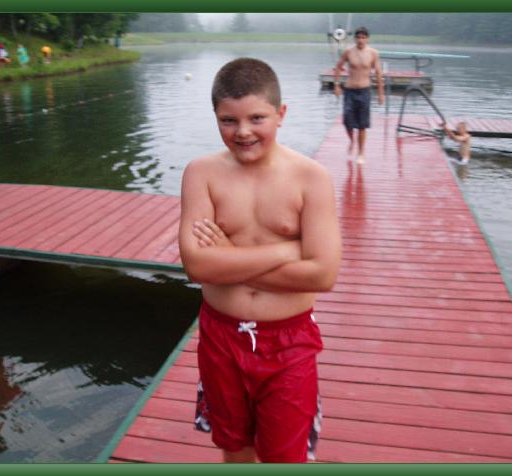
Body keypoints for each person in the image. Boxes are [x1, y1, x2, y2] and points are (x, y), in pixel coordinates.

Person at [178, 58, 341, 463]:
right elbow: (198, 267)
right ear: (216, 118)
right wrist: (288, 250)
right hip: (221, 337)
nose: (243, 132)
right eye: (228, 121)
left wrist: (229, 259)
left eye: (257, 118)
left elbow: (322, 274)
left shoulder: (311, 178)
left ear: (281, 114)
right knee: (234, 446)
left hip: (288, 342)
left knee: (285, 456)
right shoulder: (201, 174)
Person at [333, 26, 384, 164]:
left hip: (364, 90)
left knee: (362, 124)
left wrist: (381, 94)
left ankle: (361, 153)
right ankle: (352, 141)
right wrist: (336, 85)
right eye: (358, 37)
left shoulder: (373, 53)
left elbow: (378, 73)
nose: (361, 40)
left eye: (363, 37)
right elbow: (338, 67)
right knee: (347, 121)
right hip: (349, 90)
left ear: (367, 39)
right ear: (355, 38)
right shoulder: (349, 52)